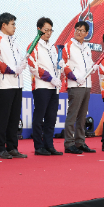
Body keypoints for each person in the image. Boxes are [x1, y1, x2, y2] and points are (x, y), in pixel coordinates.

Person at [0, 12, 27, 159]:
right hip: (4, 84)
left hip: (18, 84)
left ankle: (12, 147)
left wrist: (22, 64)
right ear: (3, 25)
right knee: (3, 117)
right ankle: (0, 148)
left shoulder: (14, 42)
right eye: (13, 24)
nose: (15, 27)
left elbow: (17, 61)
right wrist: (11, 70)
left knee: (14, 117)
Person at [27, 17, 63, 156]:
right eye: (46, 30)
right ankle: (38, 146)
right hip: (41, 86)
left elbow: (55, 66)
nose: (48, 33)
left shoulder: (53, 48)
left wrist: (60, 66)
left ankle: (49, 145)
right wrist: (50, 78)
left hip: (54, 87)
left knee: (51, 117)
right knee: (39, 117)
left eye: (50, 30)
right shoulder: (33, 45)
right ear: (39, 30)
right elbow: (33, 67)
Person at [60, 21, 98, 154]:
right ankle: (69, 143)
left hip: (87, 84)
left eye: (82, 30)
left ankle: (80, 142)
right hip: (75, 84)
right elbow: (63, 64)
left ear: (87, 34)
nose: (79, 32)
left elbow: (88, 64)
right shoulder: (68, 46)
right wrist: (74, 77)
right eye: (77, 29)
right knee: (73, 114)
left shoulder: (87, 48)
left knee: (82, 116)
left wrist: (93, 66)